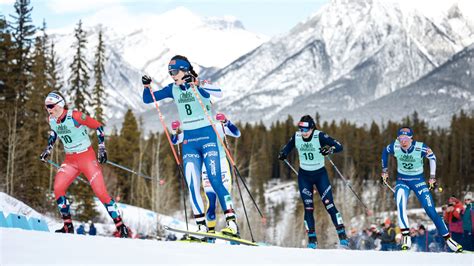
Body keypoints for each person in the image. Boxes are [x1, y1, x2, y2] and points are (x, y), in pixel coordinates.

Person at [141, 55, 239, 237]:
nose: (172, 75)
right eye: (170, 72)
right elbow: (149, 99)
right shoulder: (173, 89)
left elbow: (218, 92)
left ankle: (231, 223)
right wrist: (146, 86)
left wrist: (197, 82)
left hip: (208, 138)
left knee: (215, 179)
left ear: (185, 70)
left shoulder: (199, 84)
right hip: (189, 142)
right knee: (193, 184)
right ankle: (201, 227)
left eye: (175, 71)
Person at [39, 91, 129, 238]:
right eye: (46, 107)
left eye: (51, 106)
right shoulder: (52, 120)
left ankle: (121, 227)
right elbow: (54, 133)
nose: (49, 109)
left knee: (101, 193)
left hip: (87, 158)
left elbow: (98, 126)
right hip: (70, 160)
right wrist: (48, 149)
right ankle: (68, 226)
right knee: (58, 188)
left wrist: (101, 148)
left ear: (60, 104)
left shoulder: (74, 116)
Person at [381, 127, 462, 252]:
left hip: (418, 181)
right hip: (403, 180)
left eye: (406, 138)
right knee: (400, 202)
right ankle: (406, 236)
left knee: (430, 210)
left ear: (411, 138)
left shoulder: (420, 147)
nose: (403, 142)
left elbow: (432, 158)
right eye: (401, 138)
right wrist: (384, 171)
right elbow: (384, 152)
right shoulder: (395, 146)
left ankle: (448, 239)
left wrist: (432, 177)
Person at [278, 115, 348, 249]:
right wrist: (283, 153)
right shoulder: (297, 136)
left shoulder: (319, 135)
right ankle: (312, 240)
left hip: (320, 175)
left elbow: (339, 146)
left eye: (305, 129)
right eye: (300, 129)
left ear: (311, 128)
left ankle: (342, 234)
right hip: (304, 176)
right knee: (308, 208)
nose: (303, 132)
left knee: (329, 205)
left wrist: (329, 149)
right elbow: (287, 148)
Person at [171, 112, 241, 239]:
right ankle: (210, 234)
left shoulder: (216, 126)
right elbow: (175, 141)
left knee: (224, 193)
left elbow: (237, 133)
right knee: (211, 203)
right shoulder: (192, 129)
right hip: (205, 166)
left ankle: (233, 227)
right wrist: (175, 131)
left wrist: (226, 121)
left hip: (221, 164)